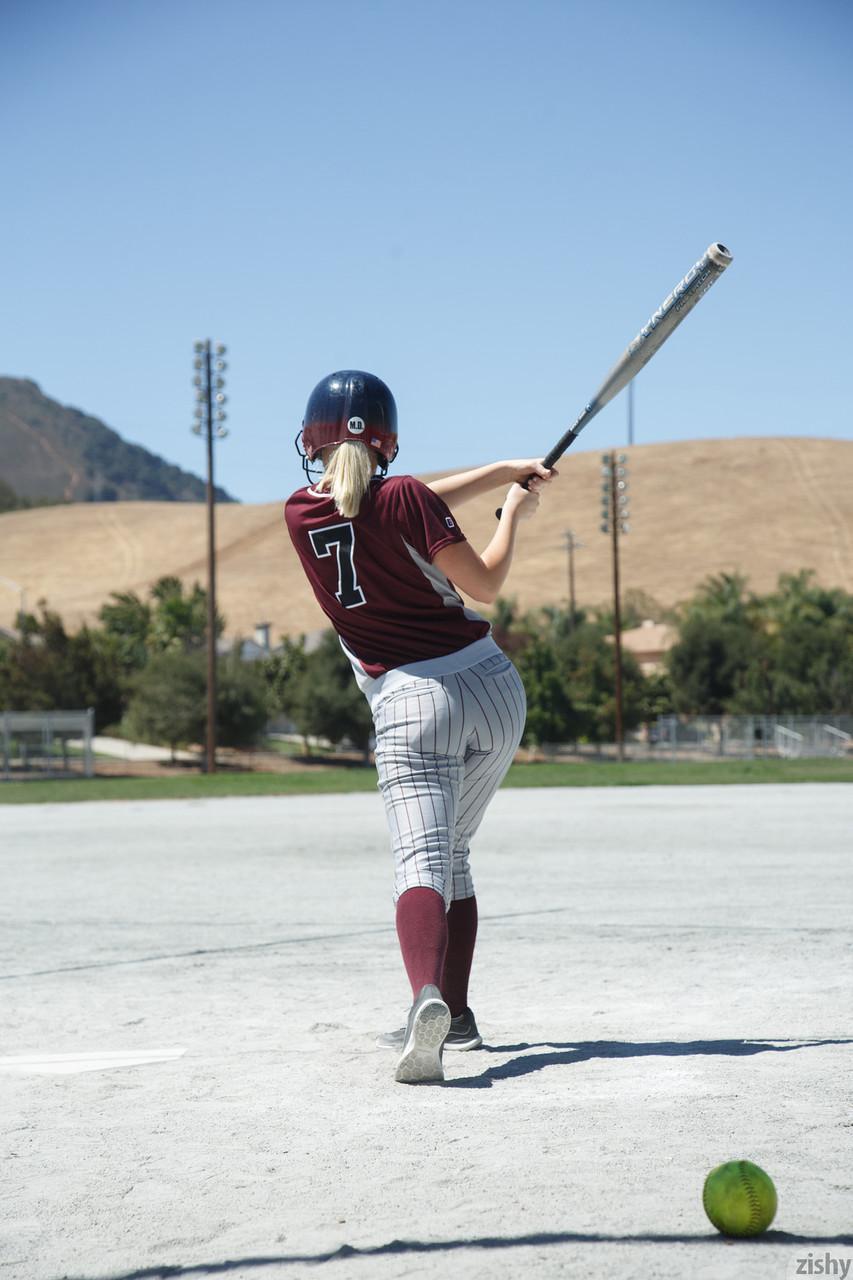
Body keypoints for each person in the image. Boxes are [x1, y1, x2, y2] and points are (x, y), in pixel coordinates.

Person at [284, 370, 555, 1084]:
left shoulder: (297, 515)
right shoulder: (405, 496)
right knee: (454, 851)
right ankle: (457, 1015)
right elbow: (484, 583)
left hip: (410, 701)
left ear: (312, 440)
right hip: (493, 689)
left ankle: (424, 1002)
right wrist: (510, 513)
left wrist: (503, 471)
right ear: (387, 440)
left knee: (421, 862)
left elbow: (393, 502)